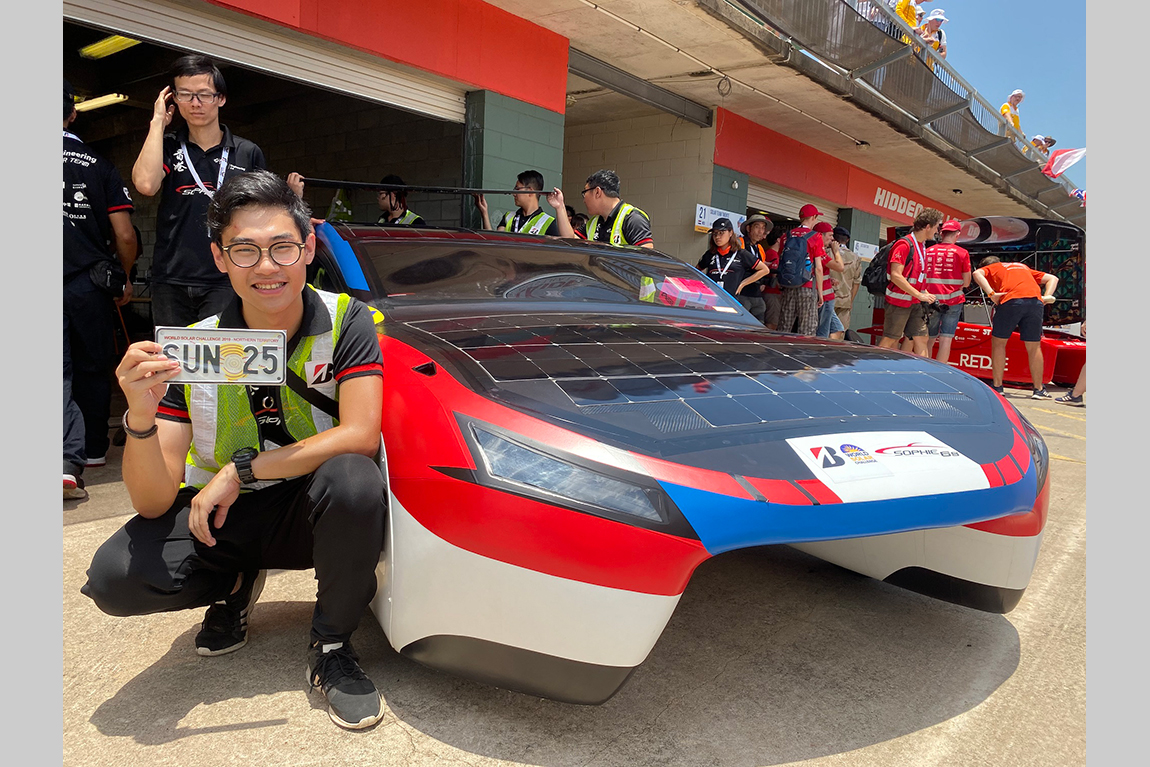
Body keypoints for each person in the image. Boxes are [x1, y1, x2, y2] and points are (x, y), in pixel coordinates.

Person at [81, 170, 389, 730]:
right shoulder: (193, 345)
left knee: (354, 478)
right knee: (114, 577)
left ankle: (332, 645)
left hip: (309, 510)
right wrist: (140, 417)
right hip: (221, 519)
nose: (266, 267)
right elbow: (152, 502)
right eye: (244, 250)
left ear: (309, 248)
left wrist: (240, 471)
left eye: (282, 248)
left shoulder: (348, 321)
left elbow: (361, 434)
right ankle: (234, 583)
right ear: (220, 258)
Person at [132, 55, 267, 329]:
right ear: (174, 100)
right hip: (171, 278)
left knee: (223, 365)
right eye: (185, 95)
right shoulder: (168, 147)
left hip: (226, 277)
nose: (195, 103)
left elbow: (263, 211)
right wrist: (157, 123)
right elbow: (146, 184)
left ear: (221, 98)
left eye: (204, 95)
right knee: (174, 368)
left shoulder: (246, 152)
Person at [64, 78, 139, 486]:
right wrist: (123, 278)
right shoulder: (99, 165)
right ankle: (92, 450)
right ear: (73, 113)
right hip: (90, 285)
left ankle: (60, 455)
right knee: (93, 367)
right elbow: (126, 235)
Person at [971, 255, 1059, 398]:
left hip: (1011, 301)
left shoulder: (993, 267)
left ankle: (998, 386)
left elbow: (977, 273)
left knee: (999, 344)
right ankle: (1039, 389)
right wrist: (1046, 297)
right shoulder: (1021, 266)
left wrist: (991, 293)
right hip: (1034, 302)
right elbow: (1053, 278)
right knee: (1034, 346)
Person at [878, 207, 944, 354]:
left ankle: (923, 375)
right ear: (927, 227)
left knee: (922, 338)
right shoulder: (904, 245)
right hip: (899, 302)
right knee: (890, 339)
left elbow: (915, 277)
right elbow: (896, 275)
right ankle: (876, 371)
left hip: (916, 302)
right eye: (936, 227)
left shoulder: (922, 246)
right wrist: (920, 295)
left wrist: (925, 294)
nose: (937, 231)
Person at [562, 169, 654, 248]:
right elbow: (570, 241)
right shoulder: (594, 222)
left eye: (585, 193)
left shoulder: (633, 219)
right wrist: (559, 206)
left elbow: (646, 256)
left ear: (597, 192)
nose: (584, 200)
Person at [921, 219, 971, 363]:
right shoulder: (962, 253)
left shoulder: (928, 252)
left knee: (928, 339)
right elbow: (967, 281)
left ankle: (927, 369)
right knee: (946, 339)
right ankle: (940, 374)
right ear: (957, 234)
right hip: (953, 300)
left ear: (941, 234)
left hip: (930, 300)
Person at [697, 218, 770, 315]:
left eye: (721, 233)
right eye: (715, 233)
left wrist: (743, 283)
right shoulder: (710, 254)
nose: (717, 237)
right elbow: (696, 271)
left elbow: (764, 269)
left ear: (731, 233)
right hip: (711, 302)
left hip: (732, 303)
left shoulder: (741, 254)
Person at [777, 204, 829, 336]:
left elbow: (781, 260)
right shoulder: (816, 236)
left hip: (788, 285)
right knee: (807, 328)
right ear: (813, 217)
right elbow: (818, 268)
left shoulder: (786, 236)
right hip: (807, 286)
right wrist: (820, 294)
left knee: (784, 326)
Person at [473, 170, 560, 235]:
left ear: (530, 191)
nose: (514, 194)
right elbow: (494, 242)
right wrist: (484, 212)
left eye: (517, 189)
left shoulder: (548, 222)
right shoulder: (508, 217)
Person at [737, 214, 775, 323]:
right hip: (742, 294)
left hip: (757, 295)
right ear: (748, 228)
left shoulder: (760, 249)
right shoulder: (739, 243)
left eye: (763, 228)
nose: (760, 231)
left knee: (758, 327)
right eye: (757, 227)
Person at [829, 226, 862, 341]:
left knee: (823, 331)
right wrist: (850, 300)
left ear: (833, 238)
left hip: (828, 298)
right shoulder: (855, 258)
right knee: (840, 333)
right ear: (847, 240)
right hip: (845, 301)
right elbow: (857, 282)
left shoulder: (826, 253)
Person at [815, 223, 846, 339]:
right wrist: (836, 252)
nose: (832, 239)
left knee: (838, 329)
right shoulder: (820, 253)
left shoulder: (822, 252)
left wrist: (829, 279)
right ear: (820, 235)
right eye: (830, 235)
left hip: (828, 297)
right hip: (824, 299)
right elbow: (840, 267)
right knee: (822, 332)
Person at [761, 229, 783, 330]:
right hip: (772, 293)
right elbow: (773, 275)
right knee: (772, 323)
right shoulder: (772, 254)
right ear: (778, 240)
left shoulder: (774, 254)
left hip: (773, 293)